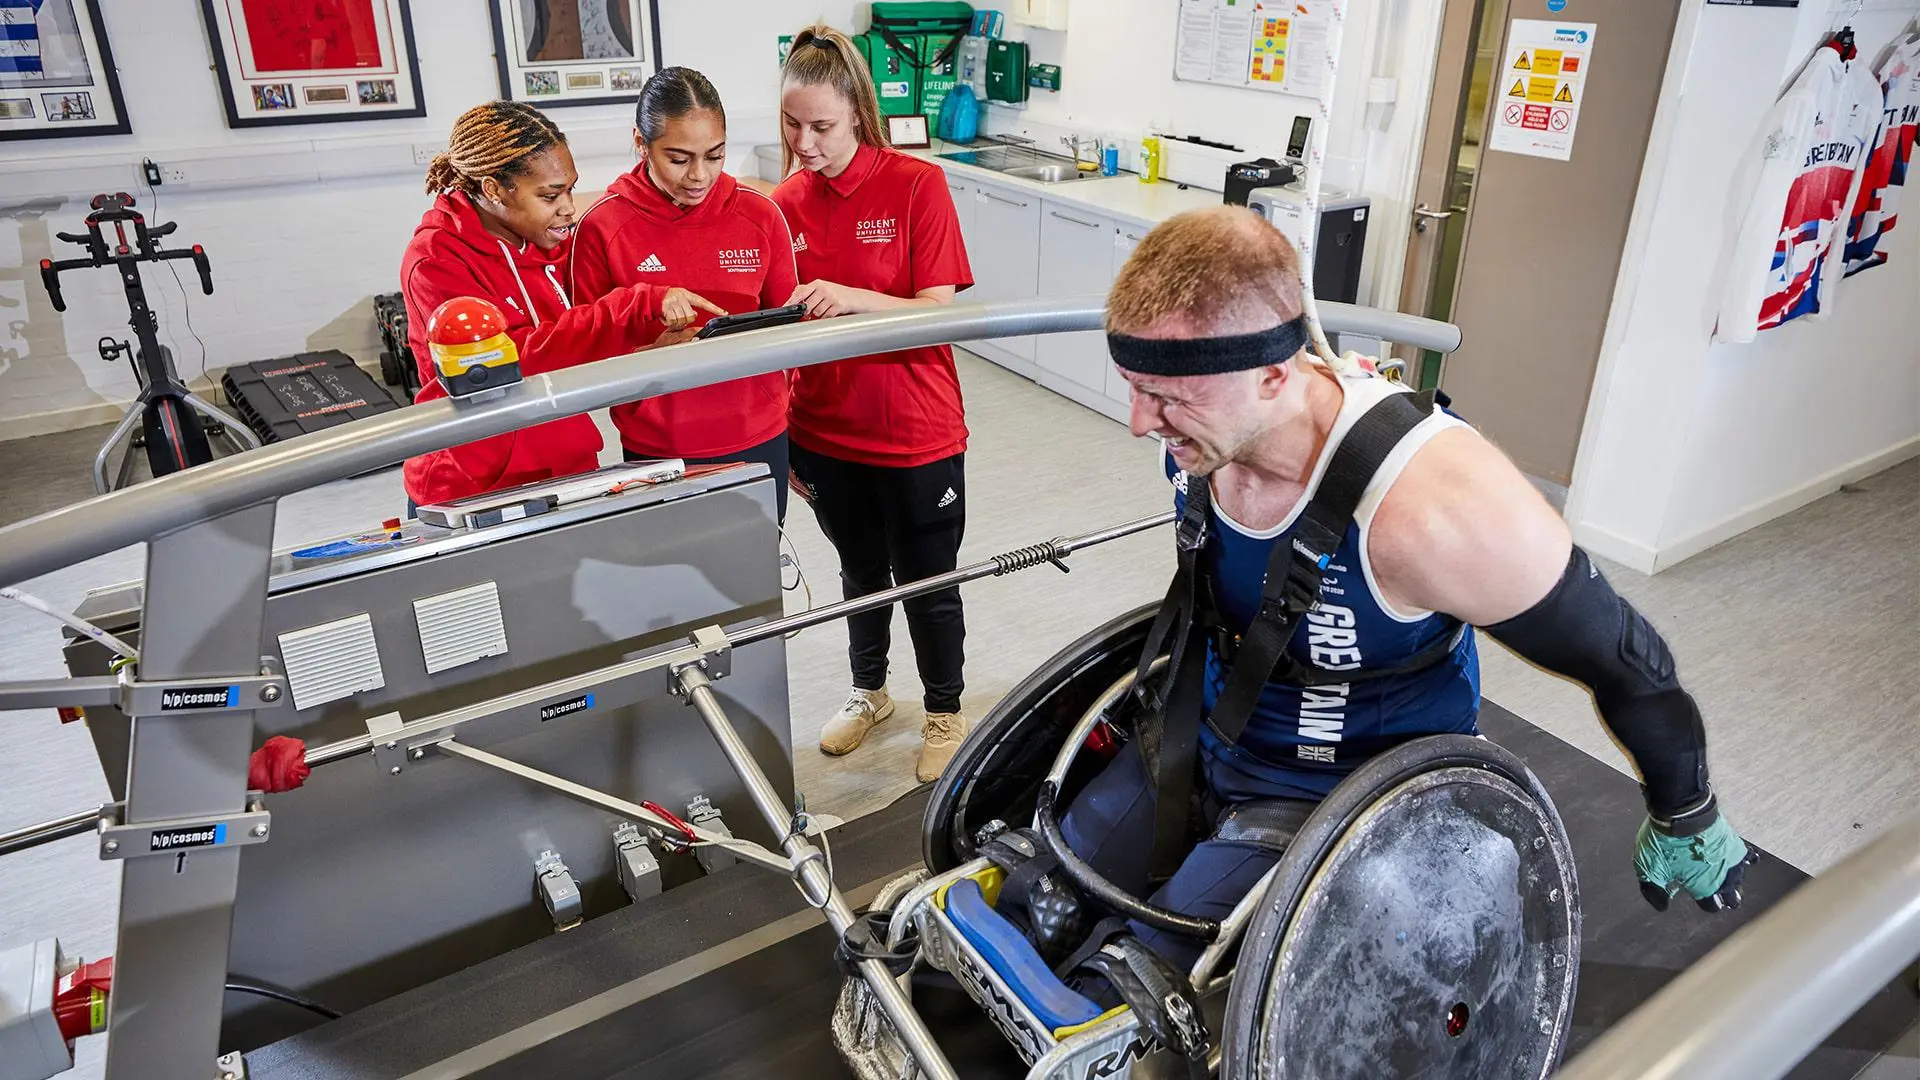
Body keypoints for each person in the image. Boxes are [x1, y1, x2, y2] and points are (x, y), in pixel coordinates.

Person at [1056, 206, 1755, 978]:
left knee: (1115, 1000)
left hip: (1346, 796)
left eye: (1167, 397)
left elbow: (1627, 660)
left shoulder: (1437, 508)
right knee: (1033, 898)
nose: (1136, 423)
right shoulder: (1210, 433)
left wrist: (1685, 808)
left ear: (1273, 375)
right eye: (1133, 388)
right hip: (1204, 735)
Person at [772, 25, 976, 783]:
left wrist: (850, 299)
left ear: (857, 111)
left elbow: (939, 310)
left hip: (915, 428)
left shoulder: (917, 184)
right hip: (824, 430)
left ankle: (946, 709)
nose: (805, 143)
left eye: (821, 125)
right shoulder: (784, 202)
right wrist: (785, 433)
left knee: (928, 577)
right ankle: (869, 694)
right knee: (860, 574)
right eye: (793, 124)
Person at [399, 99, 722, 512]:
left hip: (564, 469)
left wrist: (647, 345)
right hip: (475, 487)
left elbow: (581, 335)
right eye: (551, 195)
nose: (568, 207)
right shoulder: (435, 261)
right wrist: (634, 305)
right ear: (494, 189)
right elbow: (514, 358)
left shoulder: (549, 241)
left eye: (570, 188)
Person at [570, 67, 799, 522]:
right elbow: (583, 348)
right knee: (673, 584)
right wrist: (652, 350)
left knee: (755, 577)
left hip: (758, 434)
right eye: (678, 159)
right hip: (659, 447)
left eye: (714, 156)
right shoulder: (602, 227)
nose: (699, 175)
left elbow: (792, 329)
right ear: (641, 142)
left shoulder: (761, 215)